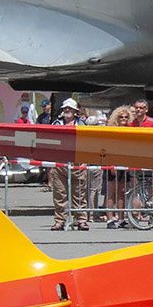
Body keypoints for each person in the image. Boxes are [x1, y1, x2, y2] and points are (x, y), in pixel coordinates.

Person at [49, 98, 89, 230]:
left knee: (79, 193)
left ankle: (81, 220)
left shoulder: (82, 124)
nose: (67, 110)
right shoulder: (56, 124)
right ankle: (60, 221)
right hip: (60, 162)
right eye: (65, 108)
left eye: (70, 108)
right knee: (59, 194)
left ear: (75, 111)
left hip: (77, 161)